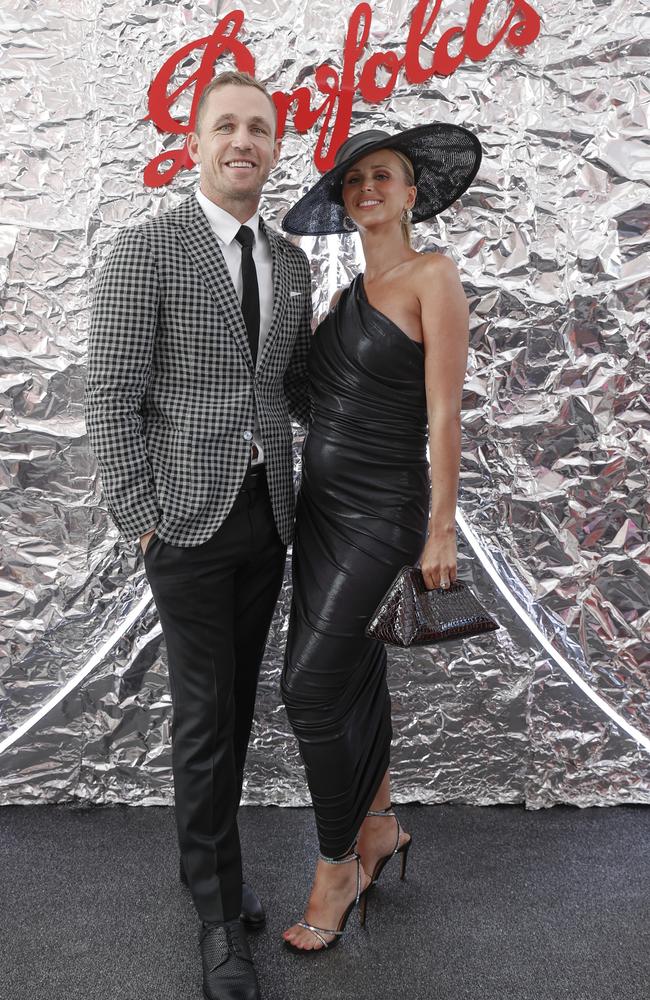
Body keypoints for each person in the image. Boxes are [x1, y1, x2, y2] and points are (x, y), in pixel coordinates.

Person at [85, 71, 312, 1000]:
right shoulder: (149, 249)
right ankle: (220, 918)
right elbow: (109, 398)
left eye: (259, 128)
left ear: (274, 145)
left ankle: (208, 871)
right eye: (227, 126)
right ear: (195, 142)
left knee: (229, 710)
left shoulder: (291, 263)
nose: (244, 142)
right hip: (183, 521)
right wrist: (142, 522)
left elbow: (286, 388)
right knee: (203, 719)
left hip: (268, 516)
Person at [279, 123, 482, 951]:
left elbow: (442, 411)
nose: (367, 188)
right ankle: (380, 826)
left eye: (384, 176)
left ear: (411, 193)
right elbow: (315, 404)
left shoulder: (432, 276)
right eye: (354, 178)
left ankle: (337, 870)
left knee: (308, 687)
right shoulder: (341, 300)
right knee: (353, 671)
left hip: (383, 512)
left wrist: (441, 528)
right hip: (320, 511)